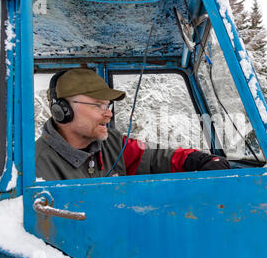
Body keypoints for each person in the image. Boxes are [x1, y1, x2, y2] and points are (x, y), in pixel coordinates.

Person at [35, 68, 230, 181]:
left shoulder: (112, 143)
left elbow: (152, 158)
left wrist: (197, 159)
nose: (108, 113)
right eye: (97, 105)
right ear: (62, 110)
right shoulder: (35, 166)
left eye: (107, 105)